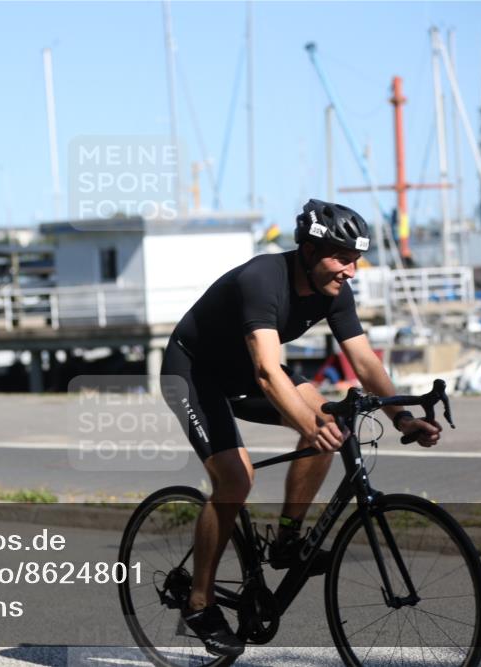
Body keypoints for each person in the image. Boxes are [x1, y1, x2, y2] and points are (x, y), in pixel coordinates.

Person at [160, 199, 443, 657]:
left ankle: (287, 541)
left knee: (332, 425)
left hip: (244, 372)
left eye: (356, 259)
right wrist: (308, 426)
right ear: (309, 251)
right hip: (193, 373)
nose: (351, 270)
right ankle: (198, 602)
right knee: (236, 478)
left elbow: (365, 362)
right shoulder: (262, 279)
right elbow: (267, 372)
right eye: (341, 258)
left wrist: (402, 417)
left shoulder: (335, 290)